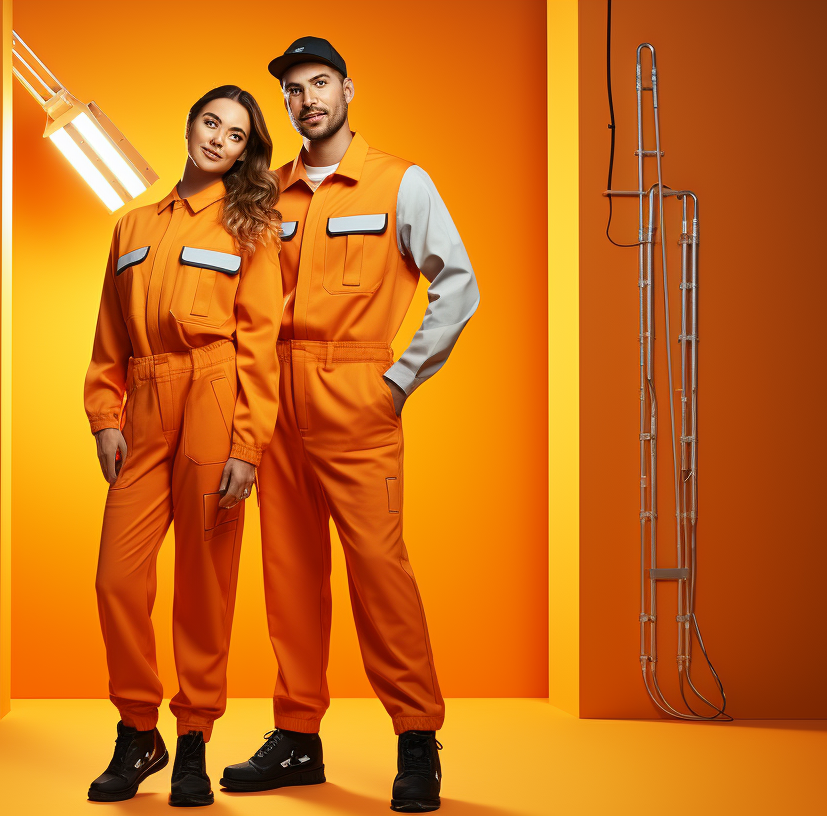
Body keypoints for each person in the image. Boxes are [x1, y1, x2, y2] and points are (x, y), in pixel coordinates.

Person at [219, 37, 481, 814]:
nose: (308, 100)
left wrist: (399, 379)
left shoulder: (401, 182)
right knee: (290, 580)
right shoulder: (272, 192)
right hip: (278, 410)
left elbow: (458, 284)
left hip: (358, 406)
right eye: (294, 90)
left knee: (380, 576)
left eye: (320, 83)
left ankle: (416, 741)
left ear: (348, 89)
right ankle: (298, 734)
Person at [81, 84, 283, 808]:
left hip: (214, 396)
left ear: (243, 153)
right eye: (211, 123)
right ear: (190, 124)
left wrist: (248, 444)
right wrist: (106, 416)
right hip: (145, 400)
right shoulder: (130, 226)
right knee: (116, 580)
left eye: (235, 136)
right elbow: (108, 335)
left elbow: (260, 346)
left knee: (205, 586)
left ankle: (193, 738)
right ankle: (139, 731)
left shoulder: (249, 229)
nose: (218, 140)